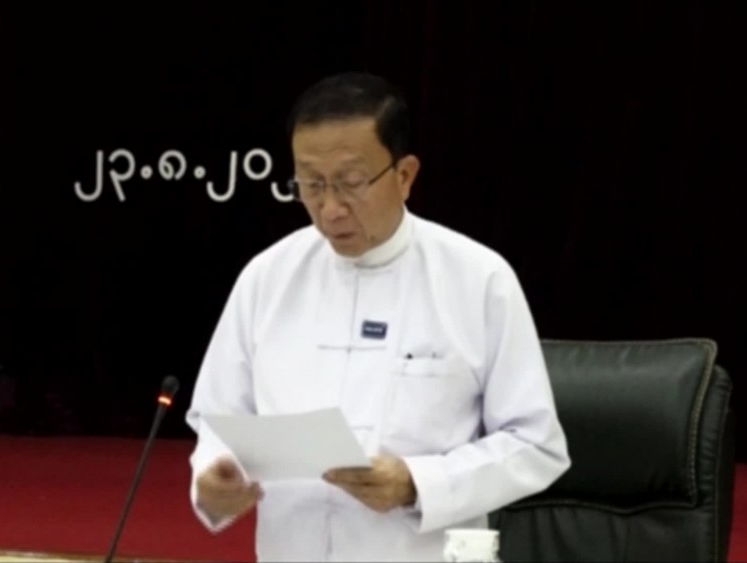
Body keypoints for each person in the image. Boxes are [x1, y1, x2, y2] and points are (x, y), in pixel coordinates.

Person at [184, 72, 570, 562]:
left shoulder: (478, 279)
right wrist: (214, 480)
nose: (330, 209)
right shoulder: (268, 277)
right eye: (311, 184)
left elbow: (536, 444)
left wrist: (417, 483)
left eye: (350, 184)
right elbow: (220, 418)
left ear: (404, 175)